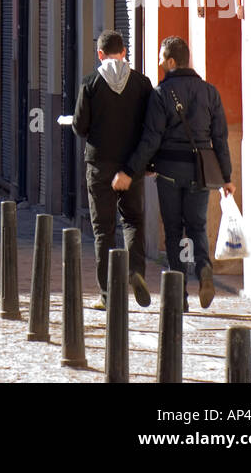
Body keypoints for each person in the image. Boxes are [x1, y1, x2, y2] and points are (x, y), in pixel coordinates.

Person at [112, 35, 236, 311]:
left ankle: (178, 293)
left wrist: (132, 169)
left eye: (160, 57)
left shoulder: (160, 94)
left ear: (170, 61)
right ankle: (203, 268)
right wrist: (226, 177)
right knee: (197, 226)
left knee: (174, 230)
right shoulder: (210, 92)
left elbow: (151, 138)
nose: (157, 62)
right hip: (201, 172)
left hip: (168, 172)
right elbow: (220, 138)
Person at [72, 30, 153, 310]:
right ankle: (136, 272)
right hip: (131, 166)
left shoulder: (90, 83)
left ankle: (108, 295)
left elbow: (81, 126)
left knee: (103, 229)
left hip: (99, 165)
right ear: (125, 52)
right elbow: (150, 127)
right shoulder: (142, 84)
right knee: (132, 220)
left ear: (100, 54)